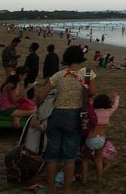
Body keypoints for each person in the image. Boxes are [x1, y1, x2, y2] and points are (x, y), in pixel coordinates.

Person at [36, 45, 97, 194]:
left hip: (56, 115)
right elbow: (93, 93)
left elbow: (40, 96)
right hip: (74, 115)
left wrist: (39, 110)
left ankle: (51, 189)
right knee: (69, 156)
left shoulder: (58, 75)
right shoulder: (88, 74)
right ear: (80, 58)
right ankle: (67, 189)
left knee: (52, 154)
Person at [81, 92, 120, 184]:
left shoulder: (92, 111)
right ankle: (99, 178)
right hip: (101, 139)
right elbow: (115, 106)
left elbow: (87, 105)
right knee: (98, 159)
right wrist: (117, 97)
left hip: (90, 138)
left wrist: (89, 100)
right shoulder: (108, 112)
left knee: (85, 159)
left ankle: (84, 179)